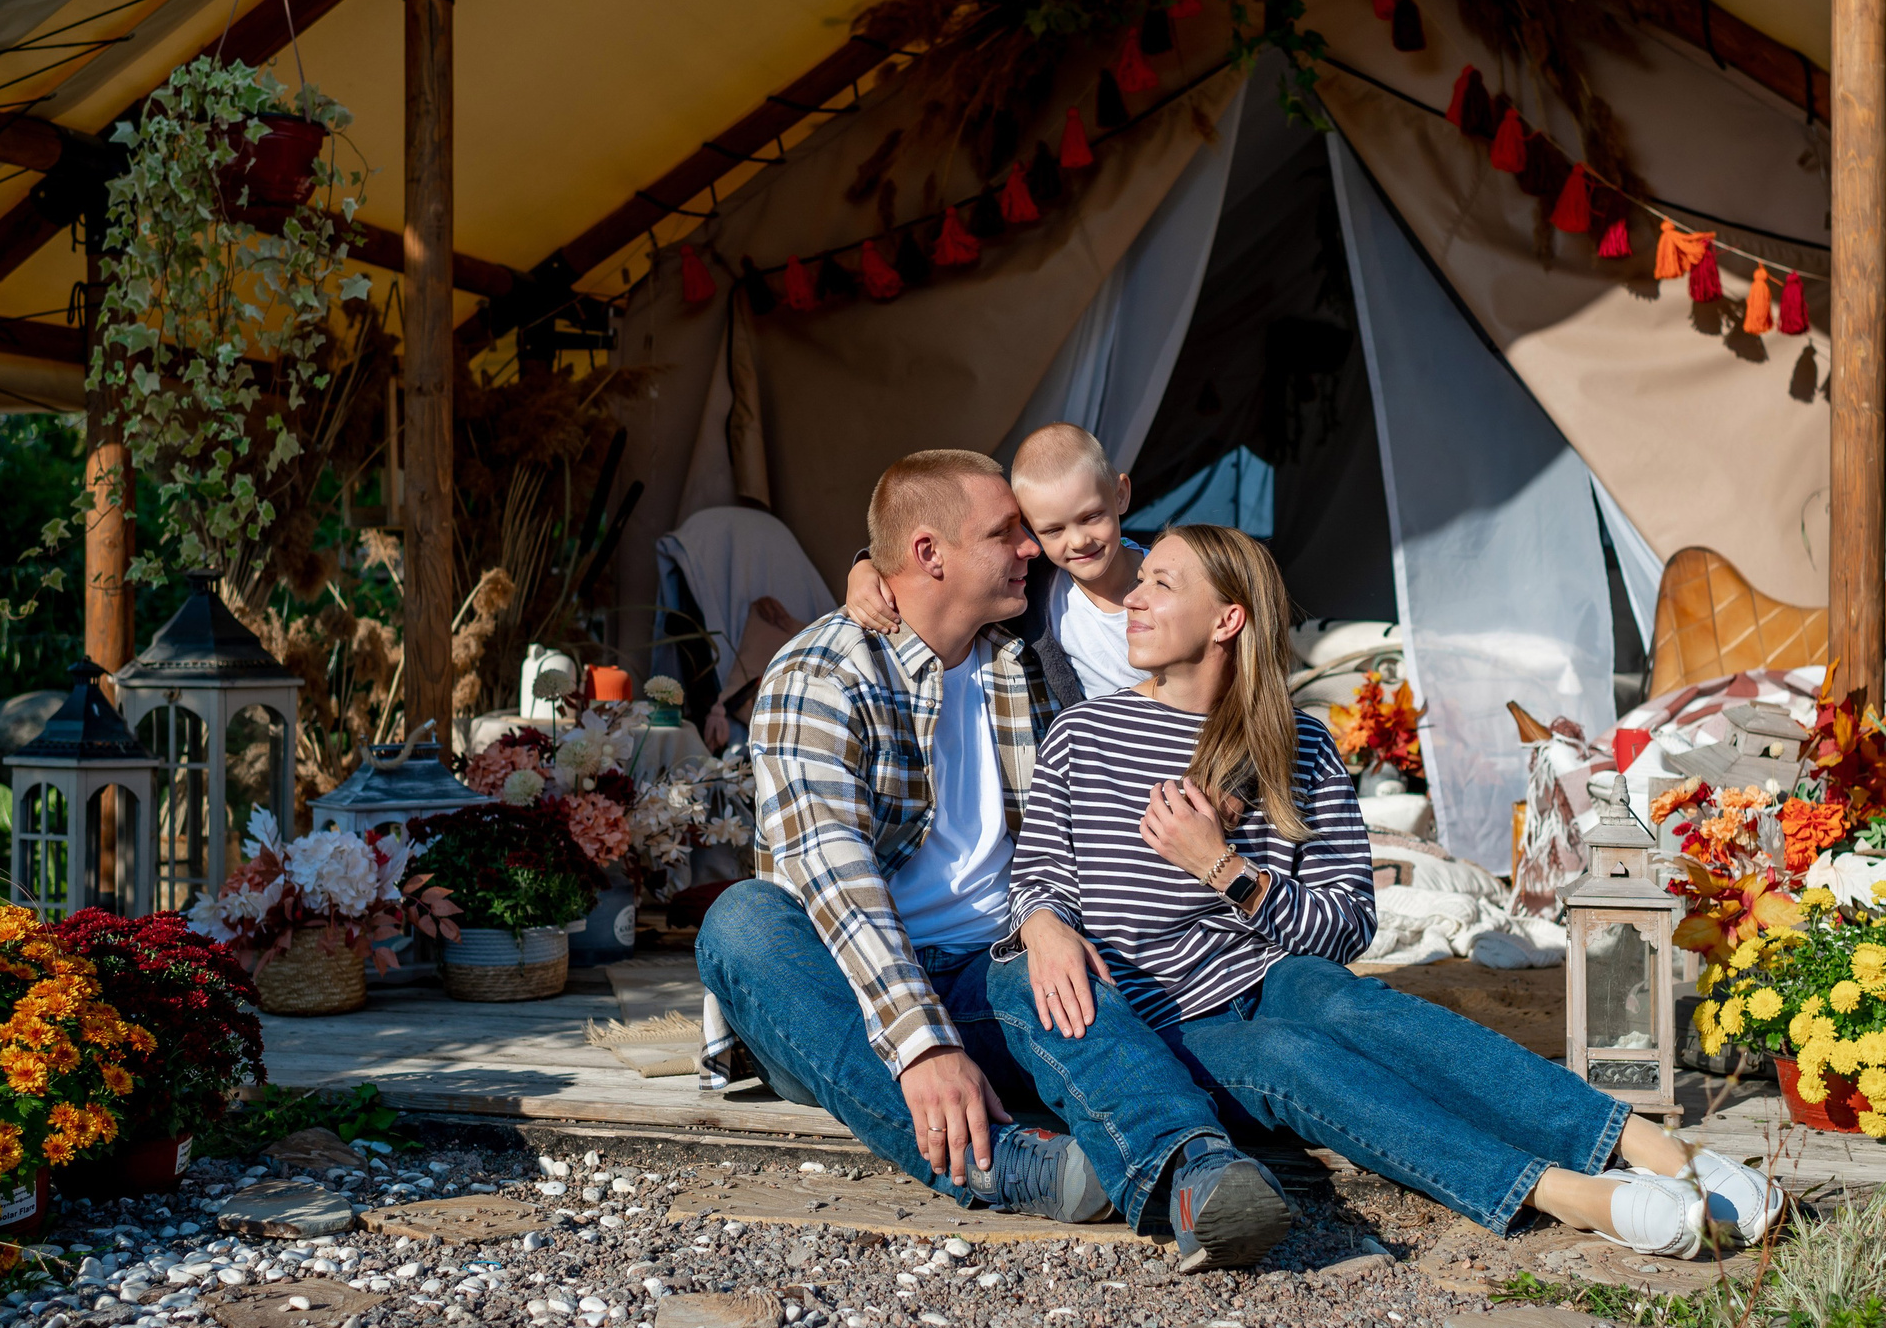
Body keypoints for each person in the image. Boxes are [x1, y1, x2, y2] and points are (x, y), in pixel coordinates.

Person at [1007, 525, 1787, 1258]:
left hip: (1268, 978)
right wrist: (1042, 922)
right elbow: (1037, 879)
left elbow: (1348, 925)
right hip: (1163, 1024)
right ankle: (1564, 1191)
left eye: (1160, 583)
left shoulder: (1301, 743)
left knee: (1341, 998)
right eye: (1140, 581)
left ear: (1226, 619)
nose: (1133, 597)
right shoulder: (1083, 735)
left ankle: (1656, 1149)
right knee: (1290, 1053)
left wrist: (1228, 871)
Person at [695, 451, 1296, 1272]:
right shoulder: (823, 673)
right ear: (929, 554)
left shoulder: (1028, 662)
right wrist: (924, 1046)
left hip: (990, 974)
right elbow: (836, 880)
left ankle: (1199, 1174)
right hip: (850, 996)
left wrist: (1059, 915)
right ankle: (1006, 1161)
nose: (1029, 549)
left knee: (1054, 965)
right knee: (742, 922)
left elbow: (1159, 671)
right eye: (1004, 533)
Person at [845, 422, 1146, 705]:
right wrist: (867, 566)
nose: (1079, 541)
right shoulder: (1033, 590)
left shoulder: (1177, 575)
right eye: (1053, 531)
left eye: (1091, 516)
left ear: (1120, 495)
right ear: (1034, 528)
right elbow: (929, 561)